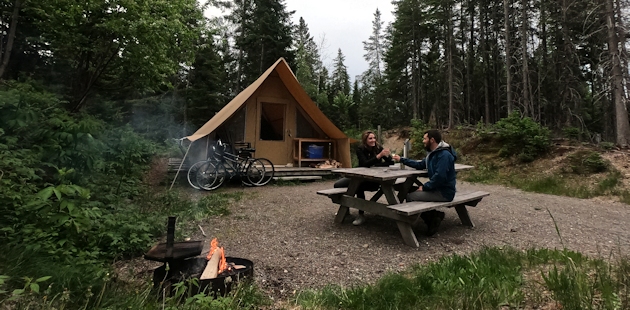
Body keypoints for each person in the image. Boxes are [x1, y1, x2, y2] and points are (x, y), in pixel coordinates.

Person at [392, 129, 457, 236]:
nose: (423, 141)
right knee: (409, 189)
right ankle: (435, 216)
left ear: (432, 140)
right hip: (437, 189)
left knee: (410, 196)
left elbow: (440, 177)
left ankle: (430, 222)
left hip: (444, 192)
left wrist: (425, 187)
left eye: (425, 138)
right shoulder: (432, 154)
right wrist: (402, 159)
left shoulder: (444, 155)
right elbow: (419, 164)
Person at [334, 130, 394, 225]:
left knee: (358, 187)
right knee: (338, 185)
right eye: (370, 138)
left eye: (374, 138)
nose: (373, 140)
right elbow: (364, 164)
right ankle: (345, 210)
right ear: (365, 140)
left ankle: (361, 215)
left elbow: (391, 163)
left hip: (374, 179)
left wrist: (386, 157)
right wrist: (378, 158)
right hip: (360, 176)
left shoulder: (378, 148)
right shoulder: (360, 149)